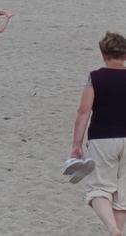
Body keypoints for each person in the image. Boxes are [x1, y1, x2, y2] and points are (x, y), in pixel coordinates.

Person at [69, 32, 126, 235]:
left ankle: (112, 229)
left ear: (103, 54)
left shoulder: (96, 77)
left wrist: (76, 144)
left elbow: (83, 112)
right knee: (122, 195)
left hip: (103, 137)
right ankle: (117, 230)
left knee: (99, 188)